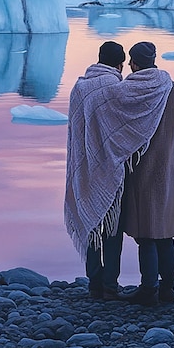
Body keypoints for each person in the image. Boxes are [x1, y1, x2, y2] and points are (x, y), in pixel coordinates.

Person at [119, 41, 174, 306]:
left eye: (131, 60)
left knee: (145, 235)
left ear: (135, 62)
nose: (129, 65)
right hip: (167, 172)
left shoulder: (129, 90)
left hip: (138, 172)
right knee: (165, 233)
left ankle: (148, 288)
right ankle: (168, 289)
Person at [64, 40, 126, 300]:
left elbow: (76, 132)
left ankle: (94, 282)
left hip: (84, 168)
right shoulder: (116, 87)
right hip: (111, 169)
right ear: (120, 64)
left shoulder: (79, 87)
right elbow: (124, 130)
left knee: (91, 223)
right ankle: (110, 285)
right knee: (112, 229)